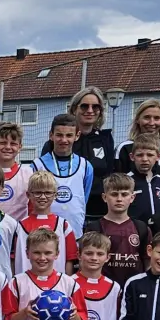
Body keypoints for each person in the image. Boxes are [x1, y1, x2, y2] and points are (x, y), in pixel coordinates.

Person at [41, 87, 115, 221]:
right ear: (75, 109)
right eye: (85, 106)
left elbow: (110, 175)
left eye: (95, 107)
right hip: (63, 210)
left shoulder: (106, 139)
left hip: (98, 211)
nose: (90, 111)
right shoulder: (57, 143)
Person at [33, 114, 92, 237]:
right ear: (51, 135)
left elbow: (83, 199)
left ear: (77, 136)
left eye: (69, 135)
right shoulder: (37, 166)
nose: (64, 140)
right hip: (44, 235)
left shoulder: (85, 166)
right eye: (59, 135)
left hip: (74, 232)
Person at [15, 170, 78, 276]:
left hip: (56, 288)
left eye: (48, 193)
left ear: (55, 195)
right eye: (38, 193)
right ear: (28, 195)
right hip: (25, 287)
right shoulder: (19, 226)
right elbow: (12, 259)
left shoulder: (63, 225)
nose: (43, 197)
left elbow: (70, 259)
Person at [114, 99, 160, 175]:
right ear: (138, 120)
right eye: (147, 117)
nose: (152, 123)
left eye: (157, 118)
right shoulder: (124, 148)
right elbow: (116, 182)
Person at [0, 123, 32, 221]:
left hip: (18, 232)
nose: (8, 147)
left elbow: (33, 208)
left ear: (20, 147)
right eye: (3, 143)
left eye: (13, 144)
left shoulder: (28, 174)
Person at [127, 135, 160, 223]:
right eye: (140, 155)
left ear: (158, 156)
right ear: (132, 157)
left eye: (150, 155)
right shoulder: (126, 181)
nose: (145, 159)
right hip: (135, 230)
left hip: (159, 230)